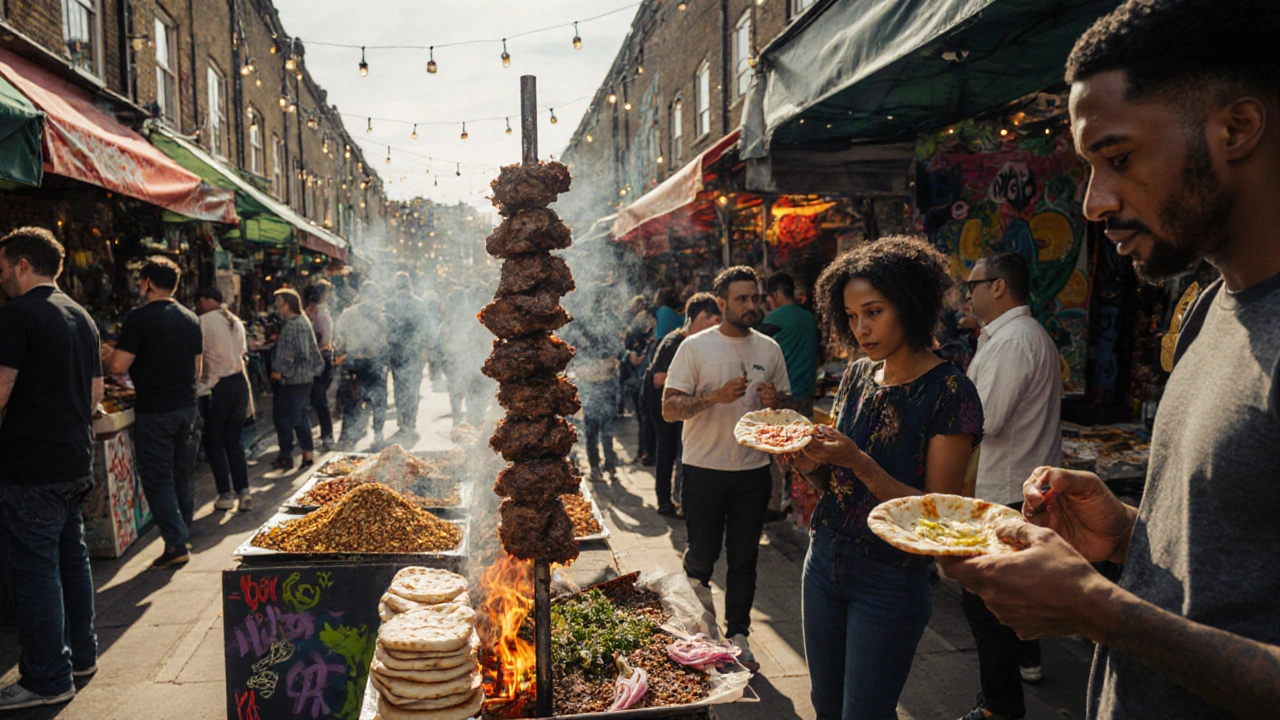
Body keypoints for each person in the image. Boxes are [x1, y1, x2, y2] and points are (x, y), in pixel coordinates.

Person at [941, 3, 1280, 719]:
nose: (1095, 203)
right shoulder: (1210, 309)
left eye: (1118, 158)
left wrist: (1097, 611)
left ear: (1237, 129)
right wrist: (1129, 536)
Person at [785, 237, 984, 719]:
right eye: (851, 316)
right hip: (825, 557)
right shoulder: (856, 376)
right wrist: (808, 463)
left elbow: (936, 516)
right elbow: (837, 487)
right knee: (825, 705)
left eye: (873, 311)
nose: (861, 328)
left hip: (890, 578)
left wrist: (858, 461)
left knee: (866, 712)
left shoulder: (950, 392)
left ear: (910, 304)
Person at [662, 266, 790, 672]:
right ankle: (699, 627)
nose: (752, 305)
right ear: (721, 304)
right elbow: (669, 408)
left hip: (752, 470)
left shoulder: (769, 348)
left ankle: (739, 634)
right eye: (742, 299)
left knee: (744, 558)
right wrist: (714, 396)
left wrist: (776, 401)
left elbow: (786, 408)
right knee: (702, 554)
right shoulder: (695, 347)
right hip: (703, 469)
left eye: (755, 297)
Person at [957, 252, 1062, 720]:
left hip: (1006, 489)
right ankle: (1021, 669)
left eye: (973, 283)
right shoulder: (1011, 337)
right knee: (1008, 598)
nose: (969, 293)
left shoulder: (1013, 340)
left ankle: (1000, 707)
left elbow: (986, 419)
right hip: (1014, 484)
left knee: (986, 603)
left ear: (998, 287)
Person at [0, 228, 100, 710]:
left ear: (22, 265)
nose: (0, 278)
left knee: (35, 571)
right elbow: (97, 395)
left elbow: (0, 390)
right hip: (75, 458)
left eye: (2, 268)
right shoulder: (81, 315)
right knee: (70, 559)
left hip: (32, 465)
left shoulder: (17, 316)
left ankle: (46, 677)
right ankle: (81, 656)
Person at [108, 256, 203, 570]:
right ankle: (180, 537)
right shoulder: (190, 318)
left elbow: (119, 366)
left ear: (147, 282)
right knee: (181, 476)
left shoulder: (139, 318)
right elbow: (197, 370)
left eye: (140, 280)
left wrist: (109, 354)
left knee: (158, 479)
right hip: (187, 407)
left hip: (155, 410)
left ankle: (176, 543)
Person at [643, 292, 721, 518]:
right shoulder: (673, 342)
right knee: (667, 448)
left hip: (681, 401)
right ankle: (665, 502)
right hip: (659, 400)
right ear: (701, 318)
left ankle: (681, 499)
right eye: (715, 321)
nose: (717, 327)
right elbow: (658, 379)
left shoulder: (699, 343)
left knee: (681, 447)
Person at [194, 287, 253, 512]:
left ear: (209, 300)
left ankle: (226, 494)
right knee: (233, 440)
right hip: (239, 383)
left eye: (200, 300)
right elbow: (242, 352)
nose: (199, 305)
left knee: (215, 442)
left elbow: (199, 358)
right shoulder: (235, 320)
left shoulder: (203, 321)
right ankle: (244, 492)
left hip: (219, 387)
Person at [269, 288, 324, 471]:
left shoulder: (296, 324)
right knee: (295, 416)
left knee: (290, 417)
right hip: (298, 378)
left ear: (289, 304)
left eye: (280, 302)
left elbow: (301, 352)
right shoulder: (297, 321)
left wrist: (281, 370)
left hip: (295, 380)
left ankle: (298, 455)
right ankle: (295, 455)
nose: (277, 306)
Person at [334, 282, 388, 449]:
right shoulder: (381, 315)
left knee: (353, 399)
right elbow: (387, 339)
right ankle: (378, 435)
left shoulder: (348, 313)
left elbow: (339, 337)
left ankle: (349, 437)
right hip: (375, 362)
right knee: (378, 400)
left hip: (354, 362)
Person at [761, 272, 819, 417]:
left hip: (785, 394)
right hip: (807, 393)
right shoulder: (808, 317)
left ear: (776, 293)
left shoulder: (775, 318)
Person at [383, 272, 429, 435]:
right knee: (413, 388)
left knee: (399, 387)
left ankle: (402, 420)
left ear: (396, 286)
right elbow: (425, 329)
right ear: (409, 285)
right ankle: (411, 421)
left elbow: (386, 330)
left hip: (396, 352)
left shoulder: (389, 305)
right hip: (415, 352)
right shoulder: (419, 304)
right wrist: (425, 349)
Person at [303, 282, 336, 451]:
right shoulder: (320, 312)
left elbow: (320, 338)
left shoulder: (320, 314)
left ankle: (327, 435)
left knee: (319, 399)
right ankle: (325, 434)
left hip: (322, 359)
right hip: (323, 358)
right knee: (317, 399)